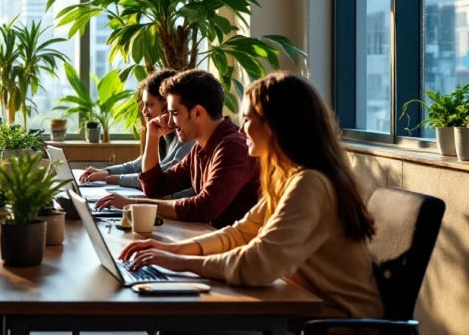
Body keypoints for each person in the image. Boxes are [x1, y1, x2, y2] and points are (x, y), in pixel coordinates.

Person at [119, 72, 383, 319]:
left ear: (275, 125)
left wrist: (180, 263)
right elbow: (240, 234)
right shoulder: (288, 178)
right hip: (302, 312)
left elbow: (258, 263)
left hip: (335, 324)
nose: (242, 129)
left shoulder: (310, 184)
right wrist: (168, 250)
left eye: (248, 119)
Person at [95, 69, 259, 228]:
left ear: (197, 113)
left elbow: (205, 208)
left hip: (237, 249)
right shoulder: (200, 148)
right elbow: (155, 188)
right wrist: (153, 136)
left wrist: (135, 204)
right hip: (211, 238)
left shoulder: (233, 147)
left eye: (174, 113)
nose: (170, 122)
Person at [79, 69, 195, 191]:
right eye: (143, 105)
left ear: (168, 105)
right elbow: (137, 166)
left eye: (150, 104)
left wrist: (108, 178)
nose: (144, 111)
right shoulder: (163, 135)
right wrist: (105, 171)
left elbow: (158, 179)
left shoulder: (187, 137)